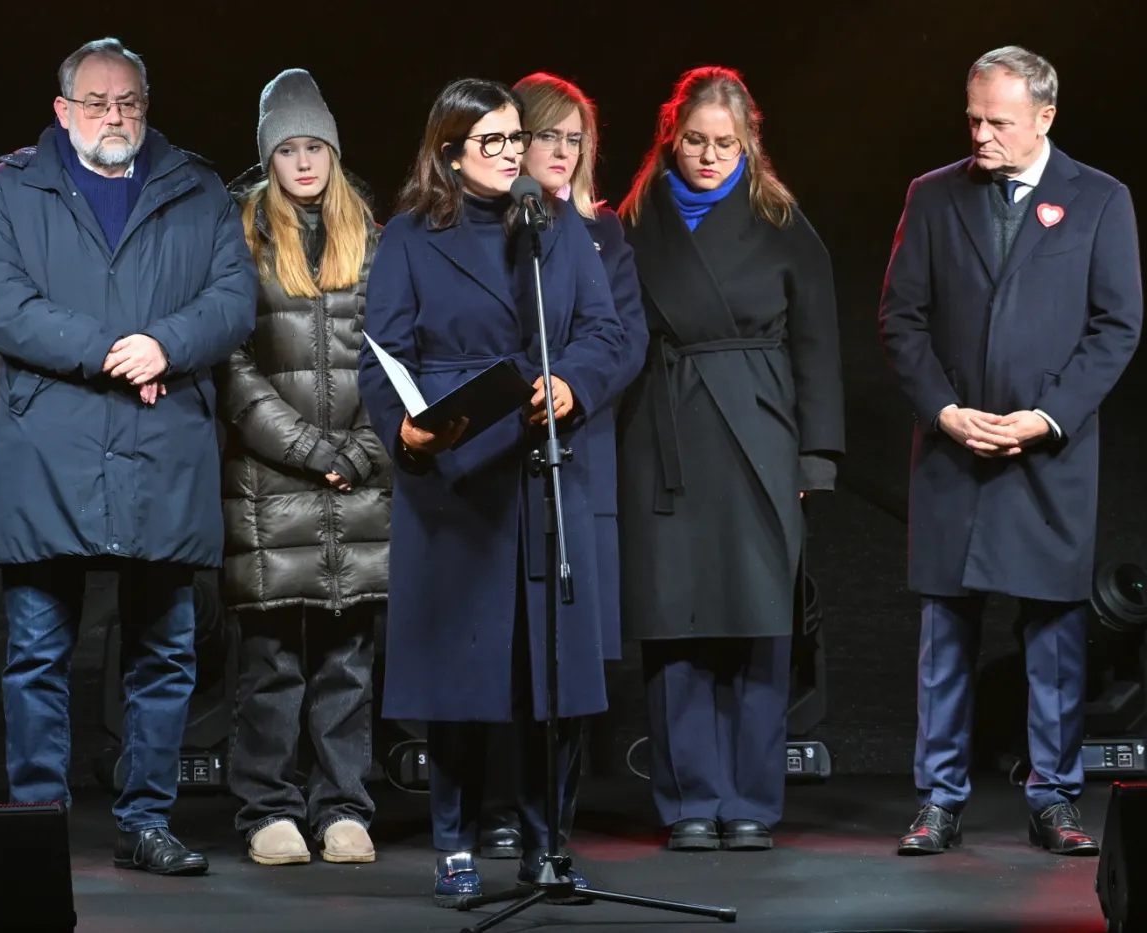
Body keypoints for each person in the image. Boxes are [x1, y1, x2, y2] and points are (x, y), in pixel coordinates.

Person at [0, 37, 257, 875]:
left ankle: (147, 820)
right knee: (37, 651)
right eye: (96, 102)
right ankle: (35, 823)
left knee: (165, 652)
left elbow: (234, 299)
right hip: (48, 446)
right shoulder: (10, 186)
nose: (114, 115)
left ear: (146, 104)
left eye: (127, 100)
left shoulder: (196, 186)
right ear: (63, 112)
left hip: (162, 445)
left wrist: (164, 344)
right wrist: (109, 351)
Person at [357, 78, 635, 906]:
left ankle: (549, 845)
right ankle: (453, 843)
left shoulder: (554, 230)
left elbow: (607, 332)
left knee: (550, 672)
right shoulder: (409, 237)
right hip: (455, 474)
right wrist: (404, 430)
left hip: (545, 469)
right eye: (497, 142)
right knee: (458, 674)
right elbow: (382, 355)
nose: (517, 154)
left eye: (519, 138)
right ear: (450, 153)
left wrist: (574, 384)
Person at [877, 45, 1143, 856]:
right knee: (945, 633)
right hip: (955, 448)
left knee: (1056, 634)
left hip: (1047, 456)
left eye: (999, 121)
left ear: (1045, 117)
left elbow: (1116, 325)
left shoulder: (1099, 199)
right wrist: (946, 411)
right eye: (973, 118)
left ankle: (1055, 797)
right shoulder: (932, 195)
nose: (981, 134)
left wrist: (1046, 416)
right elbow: (901, 318)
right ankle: (939, 797)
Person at [615, 66, 845, 852]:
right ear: (670, 138)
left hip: (760, 431)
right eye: (695, 142)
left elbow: (817, 341)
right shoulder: (635, 220)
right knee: (674, 621)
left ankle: (750, 798)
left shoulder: (781, 221)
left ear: (749, 141)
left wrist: (815, 458)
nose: (709, 156)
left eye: (725, 143)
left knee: (758, 622)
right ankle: (688, 801)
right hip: (663, 432)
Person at [470, 71, 649, 862]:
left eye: (578, 140)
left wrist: (571, 385)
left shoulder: (603, 232)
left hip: (576, 459)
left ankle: (553, 819)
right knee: (502, 643)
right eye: (551, 136)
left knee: (566, 654)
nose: (565, 152)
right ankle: (498, 806)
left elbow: (625, 338)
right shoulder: (481, 227)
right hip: (494, 459)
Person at [218, 69, 391, 868]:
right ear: (269, 157)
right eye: (286, 149)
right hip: (271, 484)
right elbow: (231, 365)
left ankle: (345, 805)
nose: (303, 162)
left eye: (314, 146)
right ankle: (268, 807)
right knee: (272, 658)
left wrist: (363, 447)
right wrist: (308, 449)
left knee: (349, 656)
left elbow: (399, 352)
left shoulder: (373, 235)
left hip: (359, 477)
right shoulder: (240, 232)